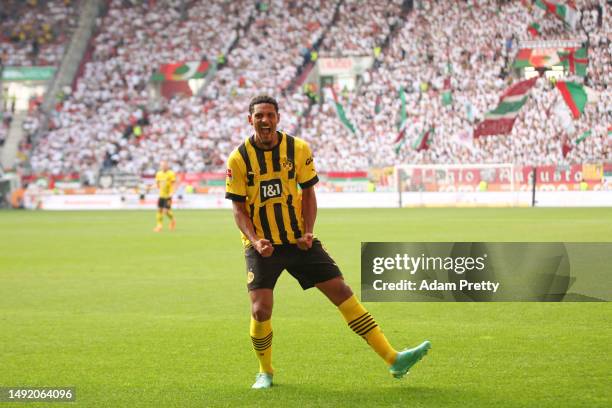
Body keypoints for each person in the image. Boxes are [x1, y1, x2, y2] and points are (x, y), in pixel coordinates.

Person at [225, 95, 431, 390]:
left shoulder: (297, 148)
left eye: (270, 115)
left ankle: (393, 358)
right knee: (261, 310)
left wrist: (308, 231)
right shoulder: (239, 159)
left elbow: (308, 193)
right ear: (251, 120)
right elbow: (238, 208)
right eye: (259, 115)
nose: (265, 120)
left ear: (278, 118)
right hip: (262, 244)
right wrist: (256, 240)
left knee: (342, 291)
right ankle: (265, 371)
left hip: (298, 240)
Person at [153, 160, 176, 232]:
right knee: (159, 210)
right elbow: (157, 184)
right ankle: (159, 226)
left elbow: (173, 184)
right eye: (162, 165)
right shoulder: (158, 174)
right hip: (161, 195)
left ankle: (173, 220)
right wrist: (152, 187)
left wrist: (172, 192)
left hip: (168, 195)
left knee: (166, 211)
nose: (163, 167)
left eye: (165, 165)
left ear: (167, 166)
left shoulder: (171, 173)